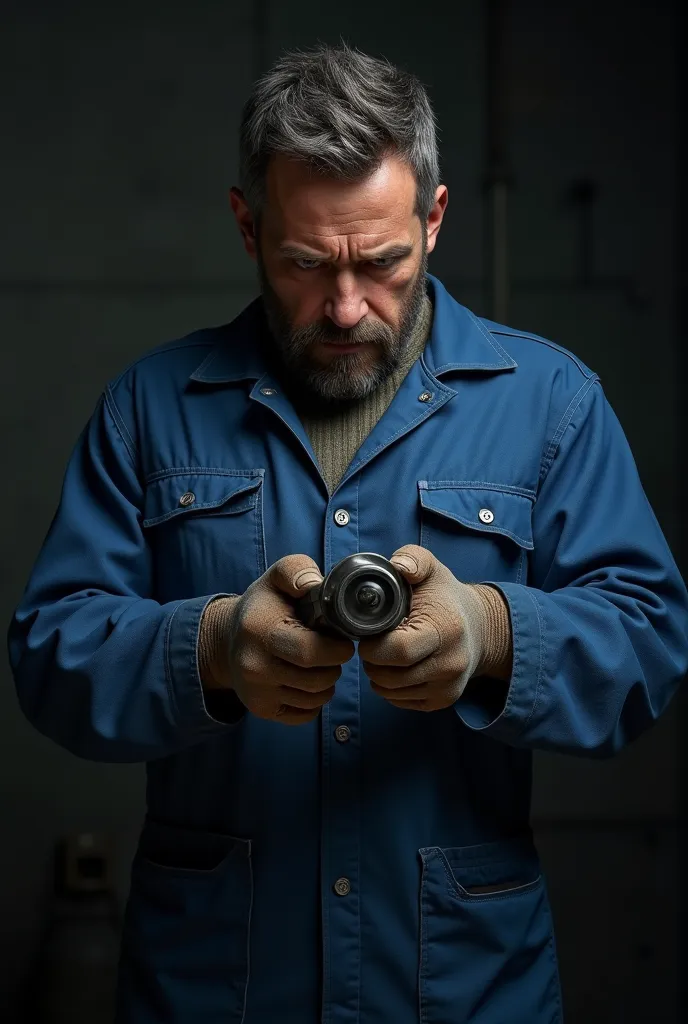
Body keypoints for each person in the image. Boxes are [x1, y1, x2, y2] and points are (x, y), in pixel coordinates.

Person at [8, 41, 688, 1024]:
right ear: (246, 226)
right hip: (215, 992)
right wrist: (208, 648)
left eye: (381, 262)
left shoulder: (552, 406)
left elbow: (650, 637)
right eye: (302, 263)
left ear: (436, 217)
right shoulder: (148, 409)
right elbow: (48, 650)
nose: (344, 305)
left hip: (463, 989)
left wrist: (494, 634)